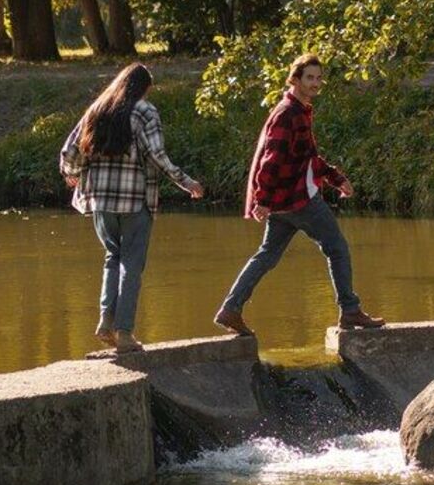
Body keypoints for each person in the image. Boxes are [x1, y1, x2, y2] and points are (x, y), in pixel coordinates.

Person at [214, 54, 385, 336]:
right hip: (298, 200)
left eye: (318, 78)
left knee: (267, 255)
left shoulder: (298, 110)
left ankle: (231, 308)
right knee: (337, 248)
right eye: (309, 78)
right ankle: (350, 310)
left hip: (284, 202)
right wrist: (262, 200)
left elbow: (308, 156)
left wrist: (335, 178)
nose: (315, 83)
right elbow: (271, 160)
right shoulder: (288, 114)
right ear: (294, 80)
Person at [60, 63, 204, 354]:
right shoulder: (144, 111)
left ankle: (106, 321)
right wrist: (186, 182)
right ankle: (124, 333)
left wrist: (71, 173)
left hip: (101, 201)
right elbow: (157, 155)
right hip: (134, 200)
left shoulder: (98, 109)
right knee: (132, 265)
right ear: (144, 88)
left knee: (112, 258)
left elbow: (70, 151)